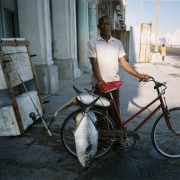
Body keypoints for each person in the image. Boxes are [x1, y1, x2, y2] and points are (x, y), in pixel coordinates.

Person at [87, 15, 149, 132]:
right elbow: (94, 64)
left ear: (111, 26)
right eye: (103, 24)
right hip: (100, 85)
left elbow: (124, 63)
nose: (106, 26)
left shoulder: (117, 43)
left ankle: (117, 140)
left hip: (114, 84)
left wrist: (139, 75)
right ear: (98, 26)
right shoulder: (92, 42)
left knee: (115, 114)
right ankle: (102, 142)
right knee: (101, 114)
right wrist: (100, 80)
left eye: (108, 24)